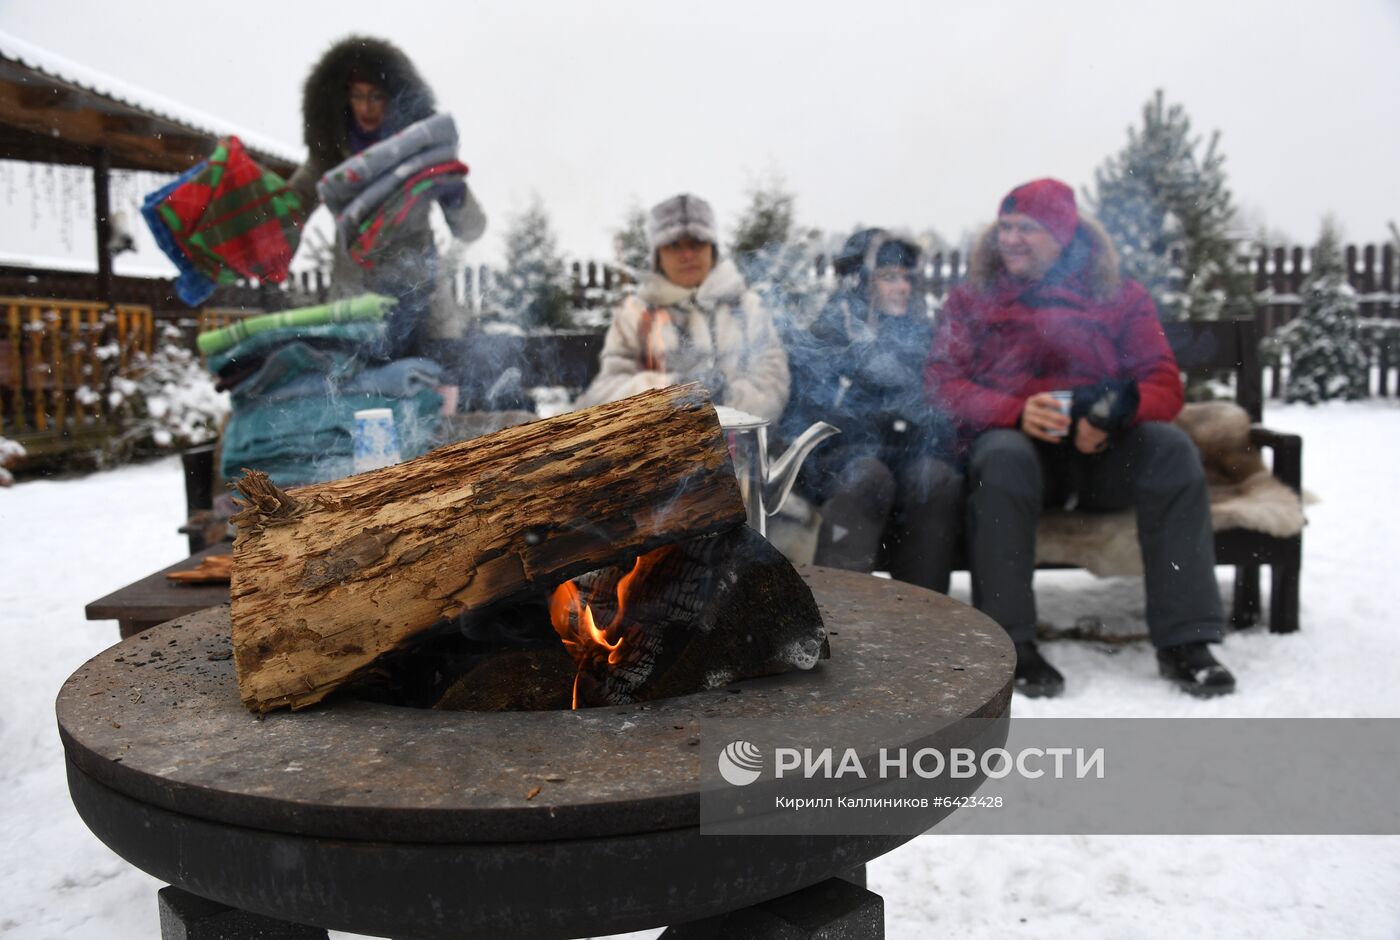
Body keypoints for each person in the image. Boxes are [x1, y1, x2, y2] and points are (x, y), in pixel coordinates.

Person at [927, 179, 1236, 698]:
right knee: (1001, 457)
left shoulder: (1118, 295)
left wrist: (1117, 412)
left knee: (1172, 450)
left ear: (1063, 236)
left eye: (1027, 227)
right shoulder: (972, 299)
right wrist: (1014, 411)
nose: (1011, 239)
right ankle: (1011, 643)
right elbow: (942, 383)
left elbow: (1163, 381)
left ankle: (1187, 642)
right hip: (1017, 458)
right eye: (1005, 226)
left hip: (1101, 460)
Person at [287, 36, 486, 370]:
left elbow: (472, 228)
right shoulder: (332, 158)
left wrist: (455, 194)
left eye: (376, 97)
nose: (366, 108)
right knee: (363, 399)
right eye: (358, 96)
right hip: (357, 303)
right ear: (344, 98)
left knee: (427, 395)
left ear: (394, 98)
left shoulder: (422, 155)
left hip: (421, 302)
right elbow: (288, 208)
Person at [788, 229, 962, 591]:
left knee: (935, 480)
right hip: (839, 460)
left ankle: (923, 619)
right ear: (860, 282)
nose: (902, 287)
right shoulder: (830, 333)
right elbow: (810, 418)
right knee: (867, 477)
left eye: (905, 277)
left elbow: (943, 411)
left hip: (907, 458)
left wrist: (918, 427)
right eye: (888, 277)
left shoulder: (922, 336)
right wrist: (878, 423)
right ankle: (839, 623)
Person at [578, 193, 789, 423]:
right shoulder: (634, 315)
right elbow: (604, 393)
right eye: (673, 245)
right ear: (658, 255)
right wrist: (672, 389)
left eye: (697, 242)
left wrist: (723, 393)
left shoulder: (748, 309)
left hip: (740, 452)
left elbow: (773, 387)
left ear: (713, 248)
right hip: (657, 455)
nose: (687, 254)